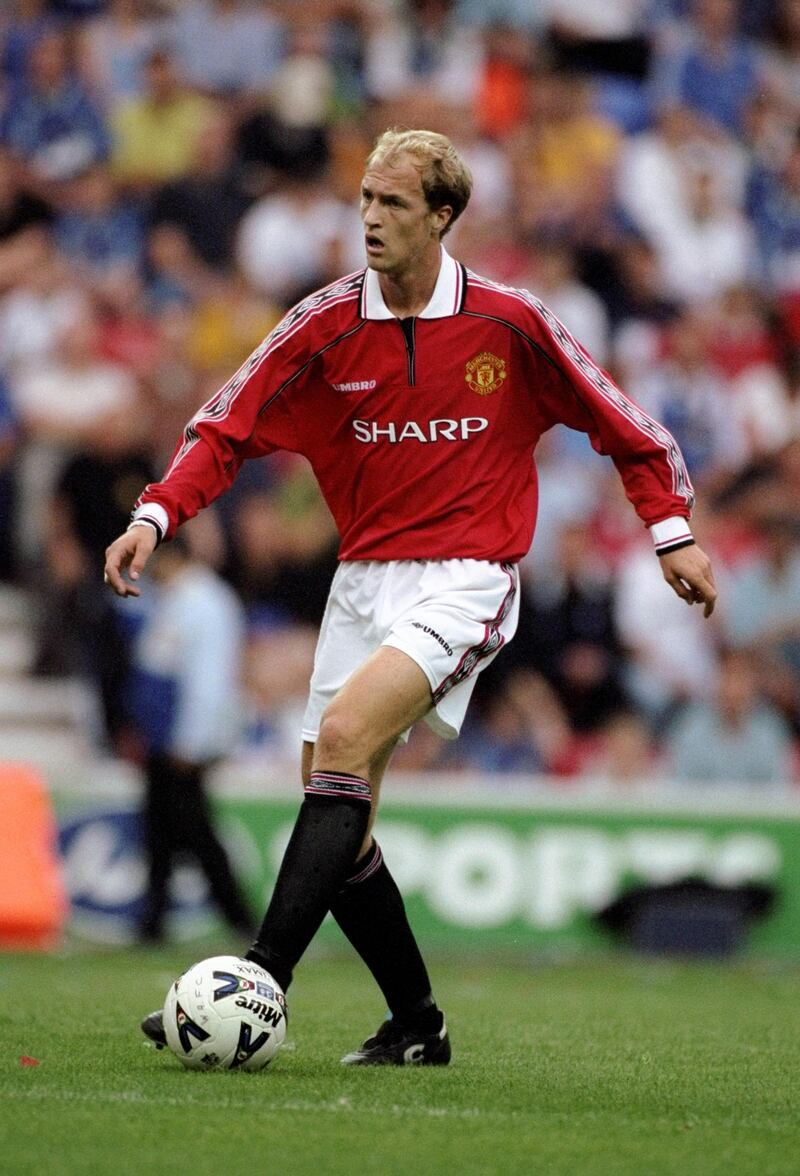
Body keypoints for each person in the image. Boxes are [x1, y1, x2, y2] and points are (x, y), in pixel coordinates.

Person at [104, 128, 717, 1067]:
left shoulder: (510, 322)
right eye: (365, 200)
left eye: (394, 204)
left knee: (345, 744)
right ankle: (417, 1026)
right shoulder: (324, 321)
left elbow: (627, 425)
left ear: (442, 216)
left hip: (467, 575)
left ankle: (254, 983)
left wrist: (669, 531)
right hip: (364, 580)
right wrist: (155, 514)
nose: (372, 219)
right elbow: (223, 423)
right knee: (338, 810)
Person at [129, 534, 254, 942]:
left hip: (181, 740)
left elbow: (208, 680)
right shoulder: (179, 598)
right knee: (162, 829)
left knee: (192, 829)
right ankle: (155, 919)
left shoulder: (203, 601)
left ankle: (238, 916)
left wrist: (191, 740)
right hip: (165, 735)